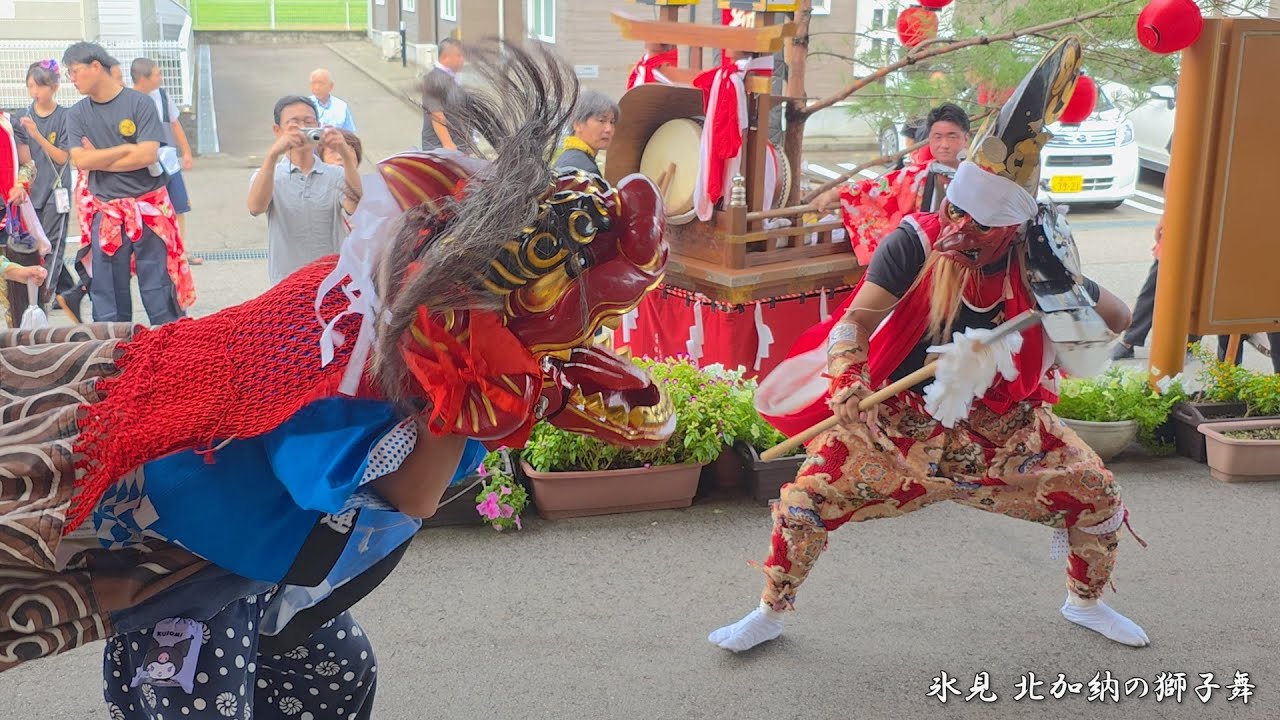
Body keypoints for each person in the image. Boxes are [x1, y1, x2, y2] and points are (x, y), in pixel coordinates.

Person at [0, 45, 674, 720]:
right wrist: (467, 390)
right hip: (192, 563)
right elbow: (406, 493)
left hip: (268, 573)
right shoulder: (350, 348)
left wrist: (533, 386)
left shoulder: (391, 306)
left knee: (338, 678)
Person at [711, 38, 1152, 654]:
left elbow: (1118, 321)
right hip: (899, 426)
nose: (957, 229)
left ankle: (1087, 603)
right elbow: (855, 320)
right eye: (955, 213)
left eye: (976, 226)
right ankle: (770, 612)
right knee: (806, 500)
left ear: (1011, 230)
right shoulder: (915, 242)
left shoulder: (1037, 259)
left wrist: (1066, 279)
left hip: (1007, 433)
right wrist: (848, 377)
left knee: (1097, 492)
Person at [62, 41, 191, 325]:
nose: (71, 79)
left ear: (95, 66)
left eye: (74, 71)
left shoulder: (139, 103)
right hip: (106, 213)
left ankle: (170, 356)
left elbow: (147, 154)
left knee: (159, 290)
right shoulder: (77, 114)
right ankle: (116, 361)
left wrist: (101, 156)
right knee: (108, 295)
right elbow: (81, 161)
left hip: (148, 211)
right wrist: (125, 150)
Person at [813, 102, 971, 265]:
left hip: (967, 260)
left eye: (952, 136)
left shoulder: (981, 176)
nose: (944, 145)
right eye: (938, 137)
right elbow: (873, 190)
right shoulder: (915, 175)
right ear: (929, 139)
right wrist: (835, 194)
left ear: (966, 138)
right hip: (925, 259)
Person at [247, 95, 361, 285]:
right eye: (294, 124)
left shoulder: (336, 174)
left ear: (319, 126)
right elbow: (255, 207)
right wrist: (273, 154)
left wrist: (346, 155)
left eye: (308, 122)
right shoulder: (268, 175)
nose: (302, 129)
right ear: (278, 131)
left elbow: (355, 205)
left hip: (332, 281)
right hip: (285, 285)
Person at [12, 59, 79, 320]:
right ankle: (69, 290)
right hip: (29, 193)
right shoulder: (20, 117)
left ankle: (43, 300)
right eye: (30, 86)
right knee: (33, 246)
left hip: (55, 191)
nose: (34, 92)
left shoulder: (66, 117)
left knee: (52, 245)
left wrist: (37, 134)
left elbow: (63, 157)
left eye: (39, 86)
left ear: (54, 87)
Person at [130, 57, 200, 265]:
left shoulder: (161, 95)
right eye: (157, 74)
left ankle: (180, 251)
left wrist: (186, 152)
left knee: (178, 205)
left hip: (167, 159)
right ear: (143, 78)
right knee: (145, 208)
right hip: (141, 163)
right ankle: (145, 255)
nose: (161, 77)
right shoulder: (128, 100)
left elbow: (175, 124)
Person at [553, 90, 619, 176]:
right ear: (577, 124)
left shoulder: (572, 158)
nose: (609, 129)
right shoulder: (582, 169)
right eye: (601, 120)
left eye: (612, 122)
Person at [420, 38, 467, 152]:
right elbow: (436, 115)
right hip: (440, 149)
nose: (463, 59)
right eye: (459, 56)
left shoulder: (453, 78)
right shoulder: (434, 80)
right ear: (446, 58)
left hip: (457, 146)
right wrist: (448, 145)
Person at [309, 67, 357, 132]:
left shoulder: (341, 106)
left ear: (331, 86)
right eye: (313, 83)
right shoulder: (305, 105)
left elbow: (350, 134)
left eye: (321, 83)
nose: (317, 87)